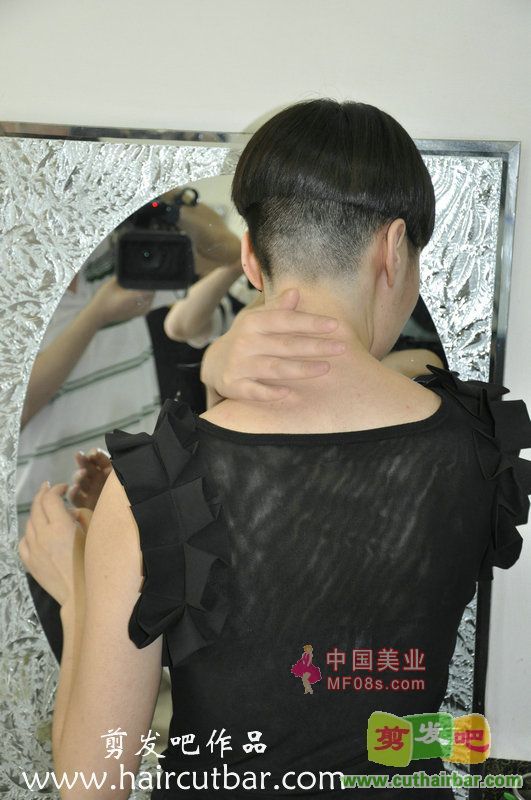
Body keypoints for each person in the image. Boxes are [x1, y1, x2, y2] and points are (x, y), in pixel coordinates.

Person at [19, 98, 531, 799]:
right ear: (393, 249)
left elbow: (91, 786)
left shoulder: (155, 489)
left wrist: (80, 594)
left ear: (252, 261)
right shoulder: (478, 445)